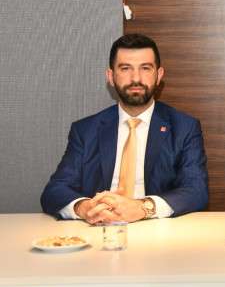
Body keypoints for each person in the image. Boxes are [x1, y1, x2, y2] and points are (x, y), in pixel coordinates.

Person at [41, 34, 208, 223]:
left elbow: (196, 190)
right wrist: (84, 208)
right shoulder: (85, 130)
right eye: (125, 68)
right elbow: (55, 191)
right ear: (111, 76)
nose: (136, 78)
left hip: (156, 230)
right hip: (100, 229)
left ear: (159, 75)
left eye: (145, 68)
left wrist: (143, 208)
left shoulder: (184, 128)